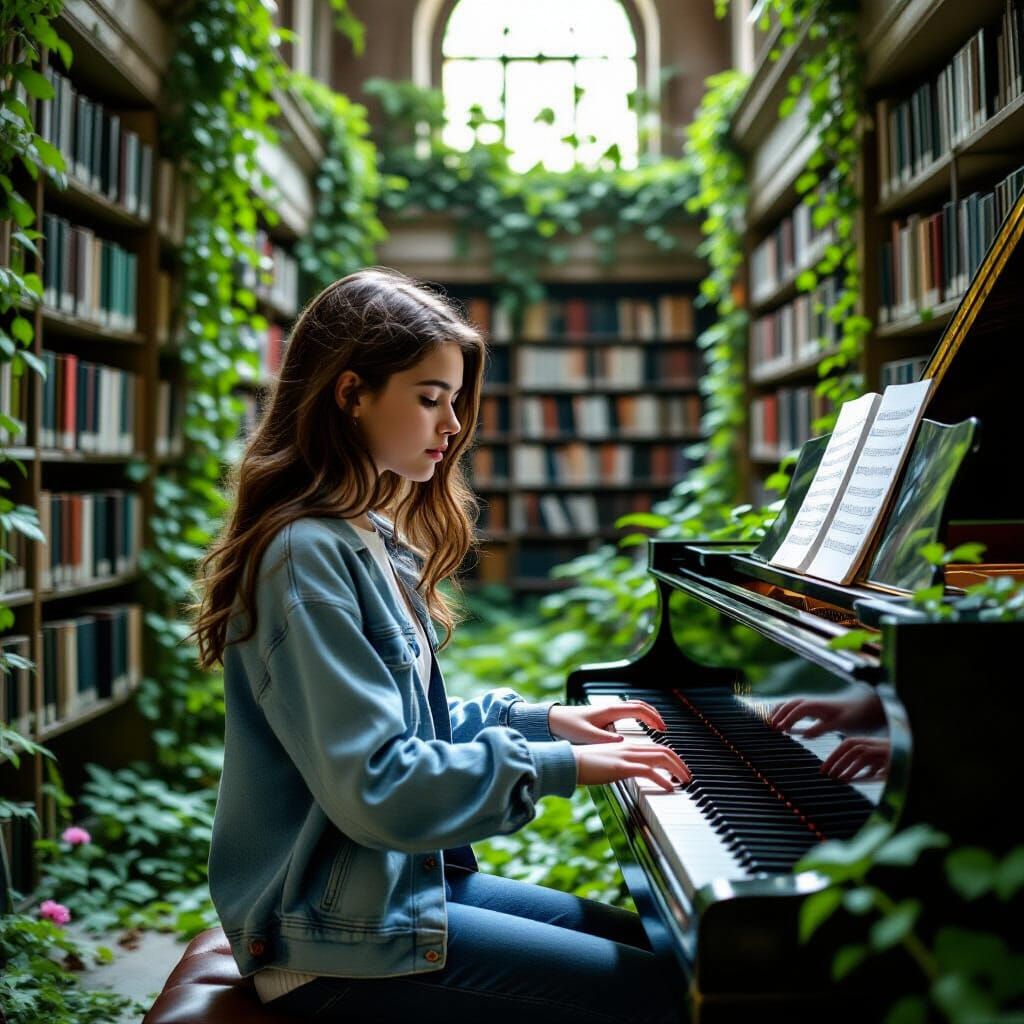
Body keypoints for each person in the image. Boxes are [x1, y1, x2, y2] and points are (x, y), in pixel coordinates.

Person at [190, 268, 691, 1023]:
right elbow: (379, 784)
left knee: (673, 954)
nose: (453, 425)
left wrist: (544, 722)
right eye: (430, 399)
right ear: (351, 393)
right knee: (659, 995)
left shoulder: (361, 534)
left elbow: (393, 728)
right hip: (332, 938)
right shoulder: (306, 557)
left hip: (393, 886)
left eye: (455, 400)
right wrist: (562, 766)